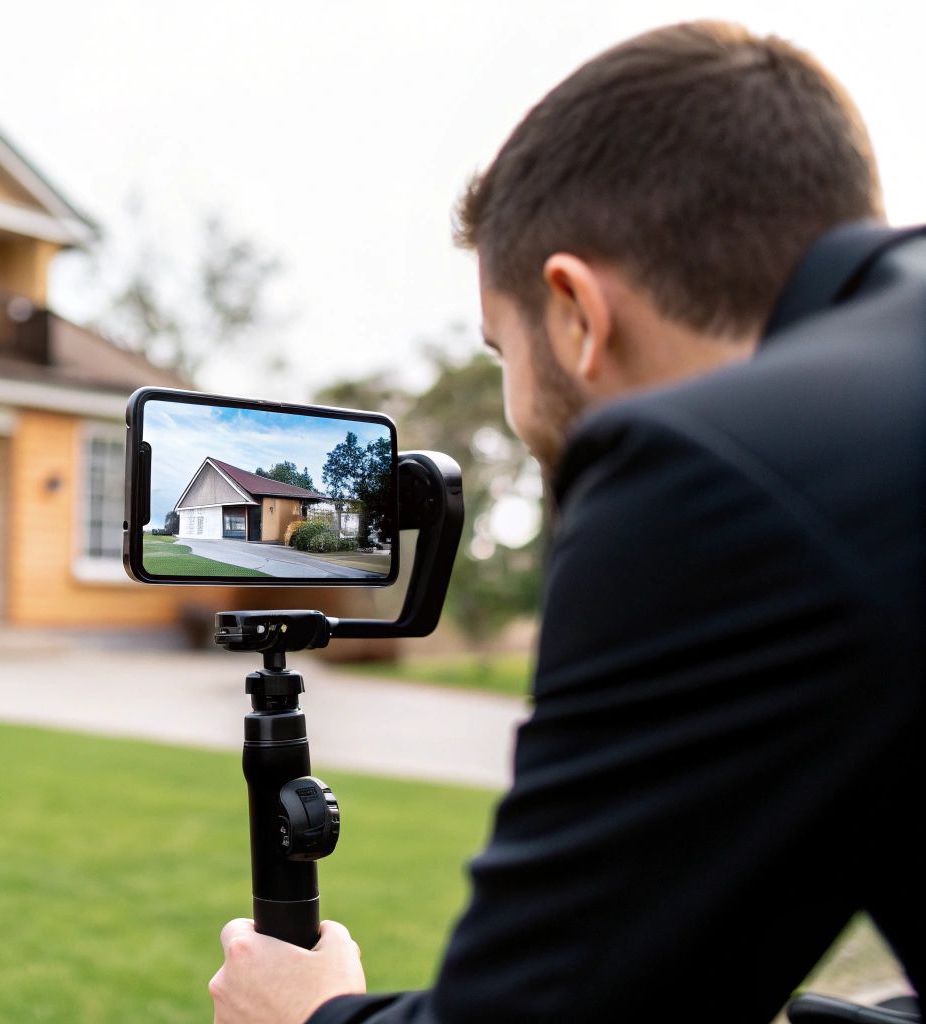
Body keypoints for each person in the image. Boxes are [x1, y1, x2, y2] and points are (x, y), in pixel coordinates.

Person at [209, 21, 924, 1023]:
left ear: (575, 313)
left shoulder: (711, 476)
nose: (511, 401)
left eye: (500, 352)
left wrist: (314, 1017)